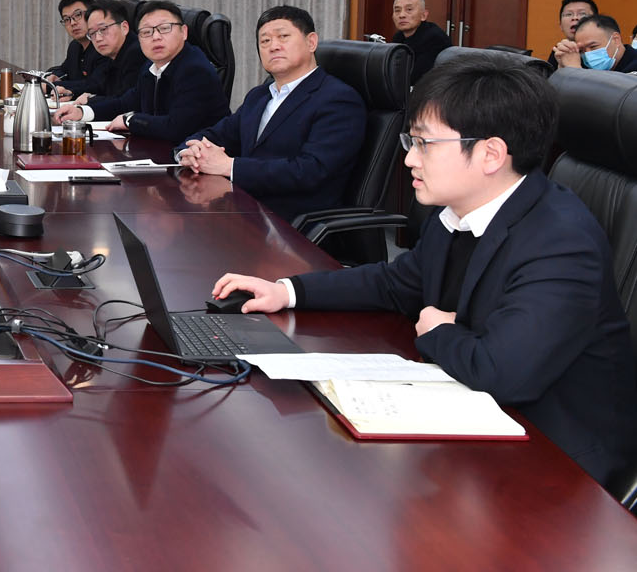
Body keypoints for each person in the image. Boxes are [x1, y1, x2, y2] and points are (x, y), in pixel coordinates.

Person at [211, 55, 637, 494]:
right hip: (478, 416)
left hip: (557, 465)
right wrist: (287, 290)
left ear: (491, 154)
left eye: (424, 144)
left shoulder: (560, 241)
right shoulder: (458, 210)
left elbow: (502, 373)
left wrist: (436, 328)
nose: (410, 159)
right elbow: (396, 283)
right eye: (410, 141)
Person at [180, 5, 365, 222]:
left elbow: (310, 171)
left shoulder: (338, 100)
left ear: (311, 42)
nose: (273, 46)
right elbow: (219, 134)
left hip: (293, 223)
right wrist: (190, 151)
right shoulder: (259, 96)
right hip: (243, 210)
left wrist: (229, 166)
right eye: (265, 41)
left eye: (283, 37)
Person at [53, 0, 229, 143]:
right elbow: (125, 103)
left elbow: (176, 127)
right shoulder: (151, 67)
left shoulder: (194, 69)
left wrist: (130, 120)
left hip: (198, 163)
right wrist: (82, 112)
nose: (156, 37)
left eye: (164, 29)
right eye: (146, 32)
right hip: (162, 153)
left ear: (184, 32)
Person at [51, 0, 144, 106]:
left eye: (103, 29)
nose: (98, 38)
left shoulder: (136, 53)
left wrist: (91, 101)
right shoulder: (113, 53)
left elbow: (126, 102)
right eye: (92, 33)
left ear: (124, 27)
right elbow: (101, 87)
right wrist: (71, 93)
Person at [46, 0, 108, 86]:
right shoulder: (74, 46)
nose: (72, 23)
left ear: (92, 14)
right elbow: (64, 69)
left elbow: (95, 84)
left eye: (78, 15)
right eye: (67, 19)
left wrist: (55, 86)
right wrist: (56, 76)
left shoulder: (103, 45)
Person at [389, 0, 451, 85]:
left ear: (423, 15)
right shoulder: (399, 36)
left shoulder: (434, 38)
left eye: (409, 9)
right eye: (397, 10)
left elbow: (415, 78)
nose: (402, 15)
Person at [555, 14, 637, 73]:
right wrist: (563, 71)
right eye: (582, 50)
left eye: (593, 46)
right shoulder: (581, 64)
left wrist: (576, 72)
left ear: (616, 40)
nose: (588, 54)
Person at [549, 0, 598, 66]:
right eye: (568, 14)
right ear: (561, 26)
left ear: (596, 22)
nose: (575, 18)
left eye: (582, 14)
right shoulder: (560, 51)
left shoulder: (603, 51)